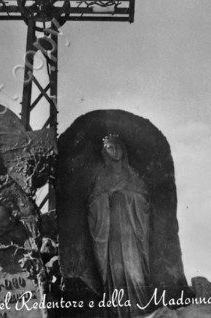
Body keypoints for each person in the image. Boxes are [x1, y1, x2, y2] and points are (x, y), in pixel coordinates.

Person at [87, 134, 152, 318]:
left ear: (123, 149)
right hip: (112, 235)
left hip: (131, 233)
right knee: (116, 273)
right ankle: (119, 312)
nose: (114, 150)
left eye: (116, 146)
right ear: (104, 152)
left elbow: (145, 201)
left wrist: (124, 195)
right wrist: (106, 198)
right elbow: (92, 206)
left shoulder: (132, 175)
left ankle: (141, 311)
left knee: (136, 272)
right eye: (109, 147)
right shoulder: (102, 177)